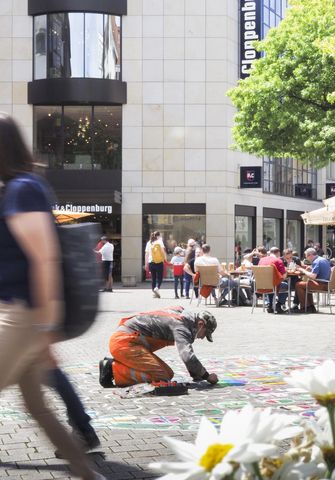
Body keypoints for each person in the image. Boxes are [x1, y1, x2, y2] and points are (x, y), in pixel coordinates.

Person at [0, 113, 104, 479]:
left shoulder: (22, 189)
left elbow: (44, 257)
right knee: (37, 407)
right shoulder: (18, 186)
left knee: (37, 405)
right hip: (23, 314)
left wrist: (45, 323)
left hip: (21, 314)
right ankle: (89, 474)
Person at [99, 306, 218, 390]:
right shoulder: (181, 326)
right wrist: (207, 376)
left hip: (130, 341)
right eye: (205, 334)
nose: (202, 338)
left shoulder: (181, 313)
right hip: (124, 342)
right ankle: (112, 368)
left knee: (168, 374)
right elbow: (187, 357)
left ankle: (120, 364)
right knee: (161, 377)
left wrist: (196, 375)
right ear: (201, 324)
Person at [294, 247, 331, 313]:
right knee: (306, 285)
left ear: (311, 255)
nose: (306, 259)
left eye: (306, 257)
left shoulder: (316, 261)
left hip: (322, 284)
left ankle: (305, 307)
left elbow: (313, 276)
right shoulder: (323, 259)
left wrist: (303, 270)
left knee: (298, 284)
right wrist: (311, 269)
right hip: (327, 283)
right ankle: (311, 307)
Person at [258, 247, 288, 314]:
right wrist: (286, 272)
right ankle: (279, 305)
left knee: (271, 284)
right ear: (278, 253)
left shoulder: (261, 260)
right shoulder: (278, 260)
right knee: (286, 286)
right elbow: (283, 277)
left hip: (262, 285)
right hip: (274, 285)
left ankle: (269, 305)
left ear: (270, 252)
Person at [145, 230, 167, 298]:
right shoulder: (159, 242)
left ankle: (154, 293)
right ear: (158, 236)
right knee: (159, 277)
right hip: (159, 262)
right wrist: (165, 259)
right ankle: (157, 288)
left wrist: (146, 264)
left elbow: (146, 254)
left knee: (153, 278)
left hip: (151, 262)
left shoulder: (149, 243)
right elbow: (163, 251)